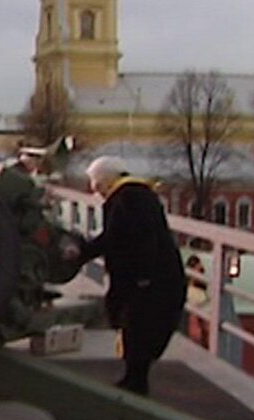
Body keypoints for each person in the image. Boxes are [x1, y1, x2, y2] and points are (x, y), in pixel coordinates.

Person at [75, 156, 187, 395]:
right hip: (155, 276)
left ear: (107, 180)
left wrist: (82, 253)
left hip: (146, 279)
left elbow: (116, 237)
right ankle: (134, 378)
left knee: (137, 327)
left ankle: (136, 382)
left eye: (96, 184)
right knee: (139, 328)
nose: (95, 191)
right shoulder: (138, 195)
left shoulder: (126, 200)